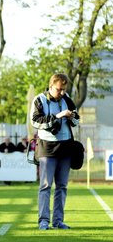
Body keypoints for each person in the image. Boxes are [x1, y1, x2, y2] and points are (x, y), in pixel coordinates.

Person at [30, 73, 80, 230]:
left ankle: (58, 221)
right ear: (51, 86)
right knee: (45, 185)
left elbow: (77, 120)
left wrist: (71, 117)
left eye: (64, 89)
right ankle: (43, 221)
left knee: (62, 186)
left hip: (66, 147)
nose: (62, 93)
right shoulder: (39, 100)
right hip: (47, 148)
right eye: (59, 89)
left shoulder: (67, 99)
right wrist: (58, 116)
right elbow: (35, 121)